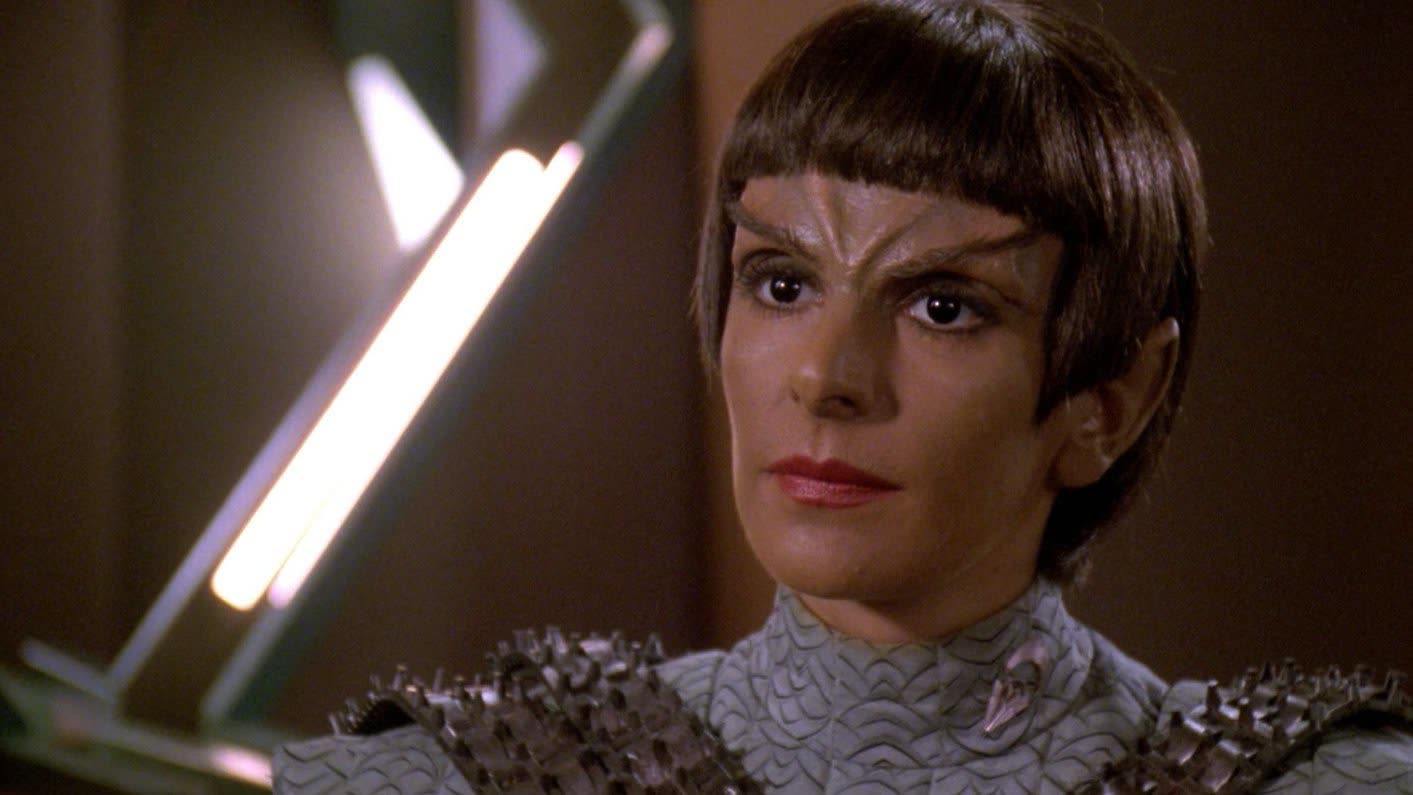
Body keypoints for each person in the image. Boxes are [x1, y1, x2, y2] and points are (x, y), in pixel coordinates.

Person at [273, 1, 1412, 792]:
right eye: (781, 283)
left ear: (1109, 401)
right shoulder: (469, 776)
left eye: (944, 307)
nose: (825, 378)